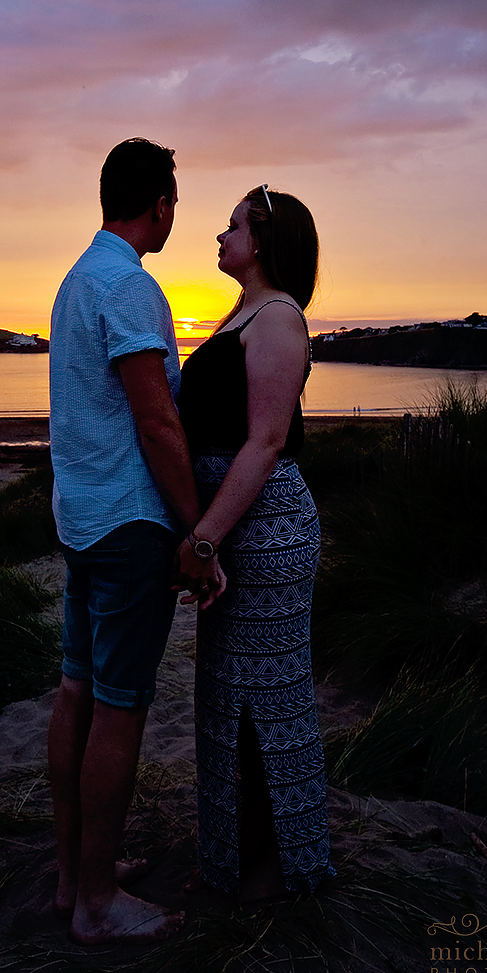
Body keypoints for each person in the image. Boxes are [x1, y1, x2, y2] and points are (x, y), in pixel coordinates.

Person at [46, 138, 226, 946]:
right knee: (119, 708)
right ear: (159, 205)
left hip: (81, 520)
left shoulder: (77, 279)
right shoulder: (129, 286)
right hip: (127, 525)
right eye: (176, 202)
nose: (177, 216)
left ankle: (71, 875)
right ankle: (95, 904)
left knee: (77, 690)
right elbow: (156, 420)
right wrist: (197, 529)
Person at [177, 183, 333, 901]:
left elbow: (266, 441)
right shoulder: (247, 312)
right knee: (232, 698)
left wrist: (206, 538)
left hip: (262, 535)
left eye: (233, 225)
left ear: (265, 240)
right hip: (239, 532)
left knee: (265, 702)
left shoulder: (277, 319)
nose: (219, 235)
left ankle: (282, 867)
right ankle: (240, 856)